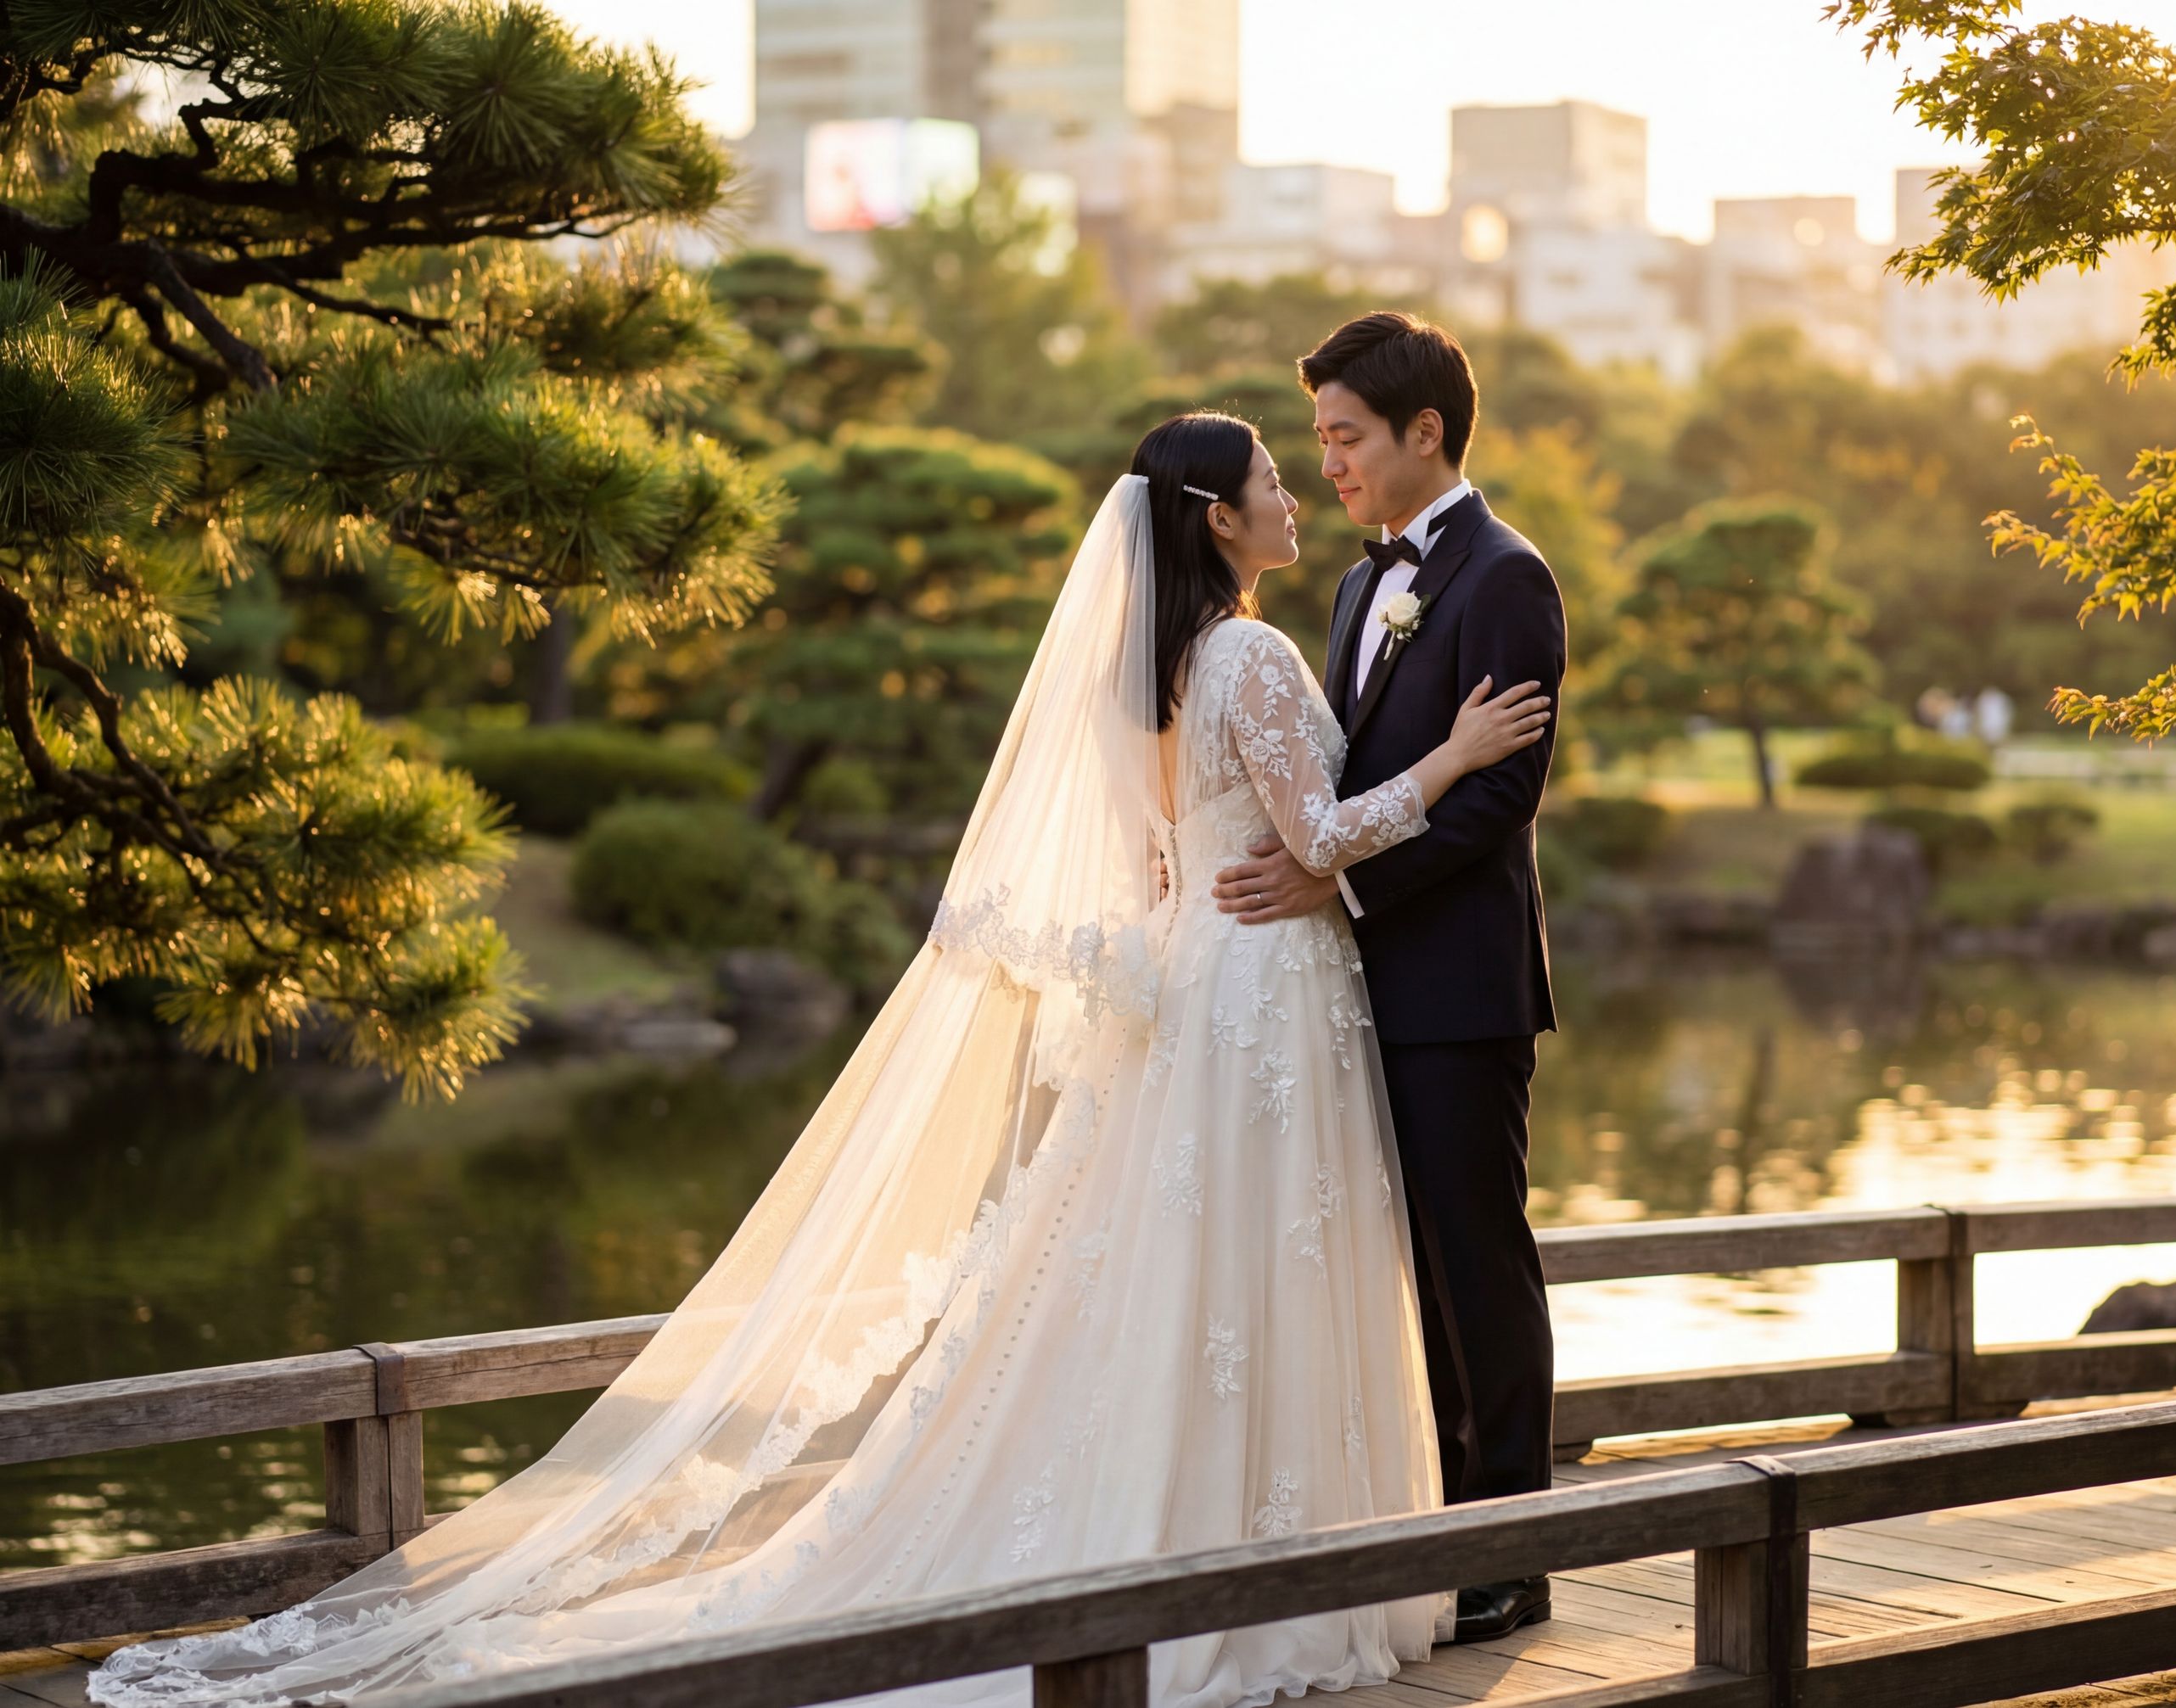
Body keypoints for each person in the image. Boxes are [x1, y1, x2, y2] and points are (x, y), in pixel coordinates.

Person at [88, 413, 1551, 1708]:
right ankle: (1253, 1558)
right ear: (1219, 521)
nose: (1299, 489)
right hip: (1256, 996)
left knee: (1192, 1272)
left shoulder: (1152, 664)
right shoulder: (1248, 648)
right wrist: (1456, 755)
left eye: (1313, 459)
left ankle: (1190, 1539)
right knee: (1258, 1267)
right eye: (1274, 476)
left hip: (1198, 988)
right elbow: (1320, 837)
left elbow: (1178, 856)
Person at [1209, 313, 1568, 1643]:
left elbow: (1500, 802)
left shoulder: (1507, 578)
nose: (1333, 465)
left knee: (1478, 1262)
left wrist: (1338, 882)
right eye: (1317, 445)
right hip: (1347, 986)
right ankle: (1428, 1525)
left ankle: (1511, 1550)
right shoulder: (1363, 586)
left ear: (1427, 432)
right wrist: (1308, 866)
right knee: (1393, 1270)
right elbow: (1348, 782)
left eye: (1347, 437)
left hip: (1459, 989)